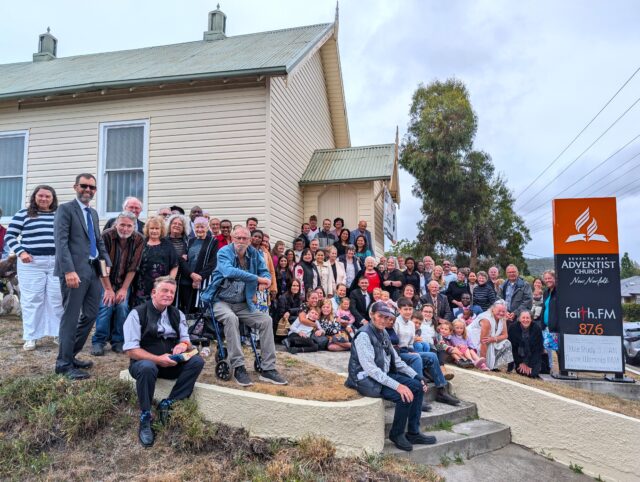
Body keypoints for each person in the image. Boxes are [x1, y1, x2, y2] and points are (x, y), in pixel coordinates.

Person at [124, 276, 205, 447]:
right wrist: (158, 359)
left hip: (170, 362)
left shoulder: (177, 314)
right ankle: (145, 417)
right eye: (164, 291)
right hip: (145, 363)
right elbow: (131, 350)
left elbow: (186, 341)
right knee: (147, 367)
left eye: (172, 292)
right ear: (154, 293)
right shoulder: (137, 314)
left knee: (197, 361)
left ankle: (169, 403)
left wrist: (182, 346)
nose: (169, 295)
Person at [345, 301, 437, 452]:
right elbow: (371, 370)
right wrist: (398, 386)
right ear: (371, 315)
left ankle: (413, 432)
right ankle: (397, 434)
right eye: (380, 316)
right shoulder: (363, 335)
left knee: (417, 386)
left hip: (383, 374)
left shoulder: (384, 332)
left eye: (387, 317)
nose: (384, 320)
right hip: (365, 380)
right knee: (404, 395)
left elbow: (398, 361)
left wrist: (417, 376)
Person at [205, 226, 287, 386]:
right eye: (238, 238)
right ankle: (238, 367)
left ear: (250, 241)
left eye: (244, 238)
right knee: (230, 318)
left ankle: (268, 369)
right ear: (232, 239)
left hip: (243, 303)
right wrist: (257, 279)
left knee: (266, 320)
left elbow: (265, 272)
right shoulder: (224, 252)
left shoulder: (254, 254)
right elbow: (229, 272)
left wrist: (267, 280)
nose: (241, 241)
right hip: (220, 301)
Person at [54, 173, 111, 380]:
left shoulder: (93, 213)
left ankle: (70, 355)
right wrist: (68, 270)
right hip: (74, 272)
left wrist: (107, 265)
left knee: (90, 315)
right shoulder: (65, 209)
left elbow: (99, 242)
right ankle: (63, 364)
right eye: (84, 186)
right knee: (70, 318)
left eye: (92, 188)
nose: (88, 190)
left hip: (93, 271)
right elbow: (60, 242)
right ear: (75, 187)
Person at [5, 185, 62, 351]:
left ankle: (58, 333)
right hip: (31, 264)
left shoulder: (60, 214)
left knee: (56, 299)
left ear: (53, 199)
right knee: (32, 300)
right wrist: (21, 252)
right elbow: (10, 235)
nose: (44, 199)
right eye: (41, 196)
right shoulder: (23, 214)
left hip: (56, 262)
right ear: (35, 197)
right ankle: (31, 337)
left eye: (48, 196)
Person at [91, 211, 144, 356]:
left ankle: (118, 341)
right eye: (122, 225)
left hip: (123, 282)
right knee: (106, 305)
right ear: (116, 224)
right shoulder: (106, 235)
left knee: (122, 306)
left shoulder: (139, 239)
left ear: (134, 226)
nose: (125, 229)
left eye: (129, 226)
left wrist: (123, 289)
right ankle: (98, 341)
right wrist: (108, 289)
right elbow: (101, 264)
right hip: (105, 280)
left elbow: (134, 267)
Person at [394, 297, 461, 405]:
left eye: (410, 309)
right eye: (405, 309)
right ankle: (419, 394)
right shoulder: (396, 323)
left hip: (408, 350)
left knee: (432, 355)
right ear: (399, 310)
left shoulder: (411, 324)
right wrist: (409, 352)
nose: (408, 311)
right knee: (416, 357)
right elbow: (393, 343)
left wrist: (411, 350)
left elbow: (410, 343)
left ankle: (441, 390)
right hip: (398, 353)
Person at [178, 217, 218, 315]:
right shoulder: (189, 241)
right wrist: (192, 275)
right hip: (186, 278)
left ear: (207, 227)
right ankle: (187, 328)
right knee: (186, 307)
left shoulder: (212, 241)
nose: (199, 229)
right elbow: (182, 260)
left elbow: (213, 262)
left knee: (200, 308)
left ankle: (198, 329)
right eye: (197, 227)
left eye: (202, 227)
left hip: (203, 280)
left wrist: (198, 278)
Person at [134, 217, 179, 305]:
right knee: (142, 310)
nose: (154, 231)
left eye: (157, 228)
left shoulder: (167, 244)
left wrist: (169, 282)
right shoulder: (141, 243)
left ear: (161, 229)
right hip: (142, 285)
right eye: (152, 228)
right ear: (147, 229)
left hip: (161, 284)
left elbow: (175, 265)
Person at [467, 300, 513, 370]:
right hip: (474, 343)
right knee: (486, 343)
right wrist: (483, 363)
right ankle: (482, 362)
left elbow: (505, 335)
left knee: (507, 343)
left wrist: (493, 339)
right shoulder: (486, 320)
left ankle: (494, 365)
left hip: (489, 341)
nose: (501, 313)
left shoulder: (502, 318)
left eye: (503, 311)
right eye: (499, 310)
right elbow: (483, 341)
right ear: (493, 309)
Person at [508, 310, 544, 378]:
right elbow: (513, 349)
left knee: (532, 374)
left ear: (531, 319)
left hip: (532, 356)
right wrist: (521, 362)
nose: (525, 320)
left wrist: (529, 365)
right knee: (523, 372)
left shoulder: (537, 328)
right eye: (523, 318)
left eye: (527, 318)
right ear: (519, 319)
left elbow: (538, 349)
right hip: (518, 356)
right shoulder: (513, 328)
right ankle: (515, 366)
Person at [540, 270, 558, 373]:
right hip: (546, 326)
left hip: (556, 326)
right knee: (547, 348)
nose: (547, 280)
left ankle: (563, 370)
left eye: (550, 278)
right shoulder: (546, 292)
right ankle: (548, 368)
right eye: (546, 279)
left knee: (558, 350)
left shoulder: (559, 291)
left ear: (555, 278)